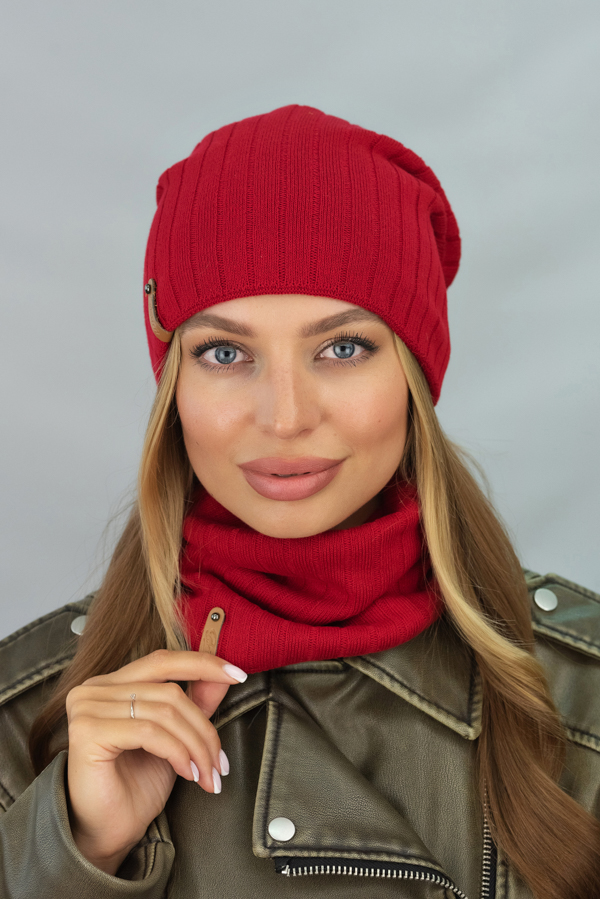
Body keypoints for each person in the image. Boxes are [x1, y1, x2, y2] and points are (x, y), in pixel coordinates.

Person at [0, 104, 598, 899]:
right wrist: (73, 851)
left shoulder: (579, 695)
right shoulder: (29, 721)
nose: (284, 417)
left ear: (414, 375)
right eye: (224, 352)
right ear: (174, 384)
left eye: (342, 348)